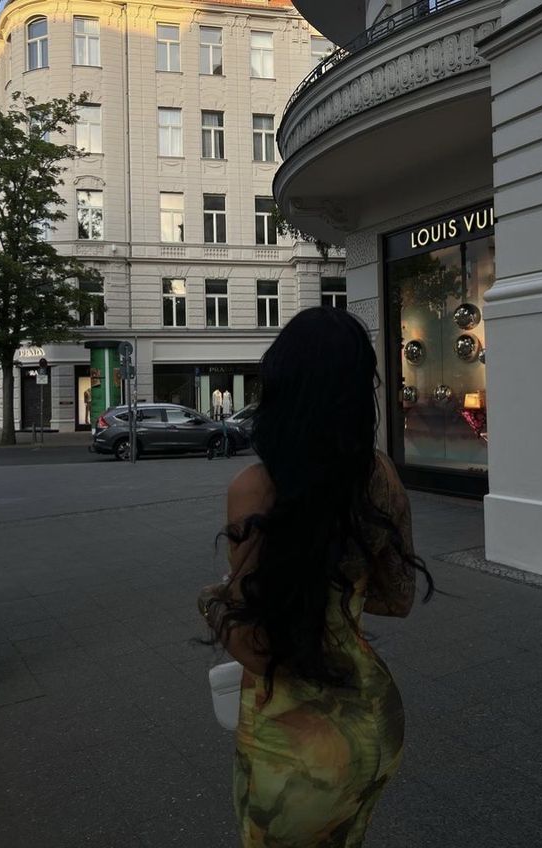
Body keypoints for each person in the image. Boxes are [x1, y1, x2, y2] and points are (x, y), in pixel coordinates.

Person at [198, 306, 433, 848]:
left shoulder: (254, 489)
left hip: (296, 739)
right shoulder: (381, 475)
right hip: (375, 720)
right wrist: (339, 588)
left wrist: (211, 599)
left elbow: (258, 644)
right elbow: (398, 599)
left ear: (280, 384)